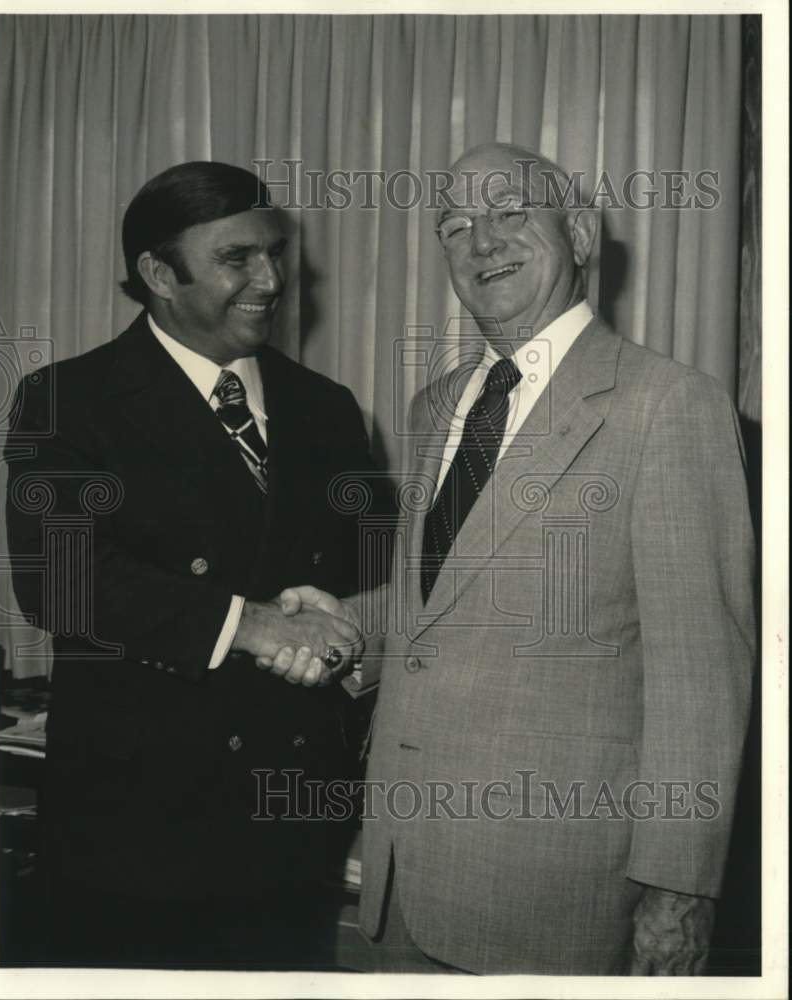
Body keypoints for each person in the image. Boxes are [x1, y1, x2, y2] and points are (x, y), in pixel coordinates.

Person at [275, 143, 756, 974]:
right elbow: (442, 604)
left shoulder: (669, 404)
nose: (481, 243)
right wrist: (342, 619)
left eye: (509, 214)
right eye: (455, 226)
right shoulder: (438, 403)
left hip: (561, 898)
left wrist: (679, 895)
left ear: (577, 233)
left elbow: (701, 677)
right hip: (403, 875)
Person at [4, 161, 382, 969]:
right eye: (237, 259)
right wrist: (254, 624)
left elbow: (368, 564)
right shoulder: (68, 400)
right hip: (136, 836)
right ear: (158, 274)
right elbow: (59, 579)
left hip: (290, 823)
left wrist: (333, 615)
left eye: (275, 254)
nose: (272, 280)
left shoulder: (328, 406)